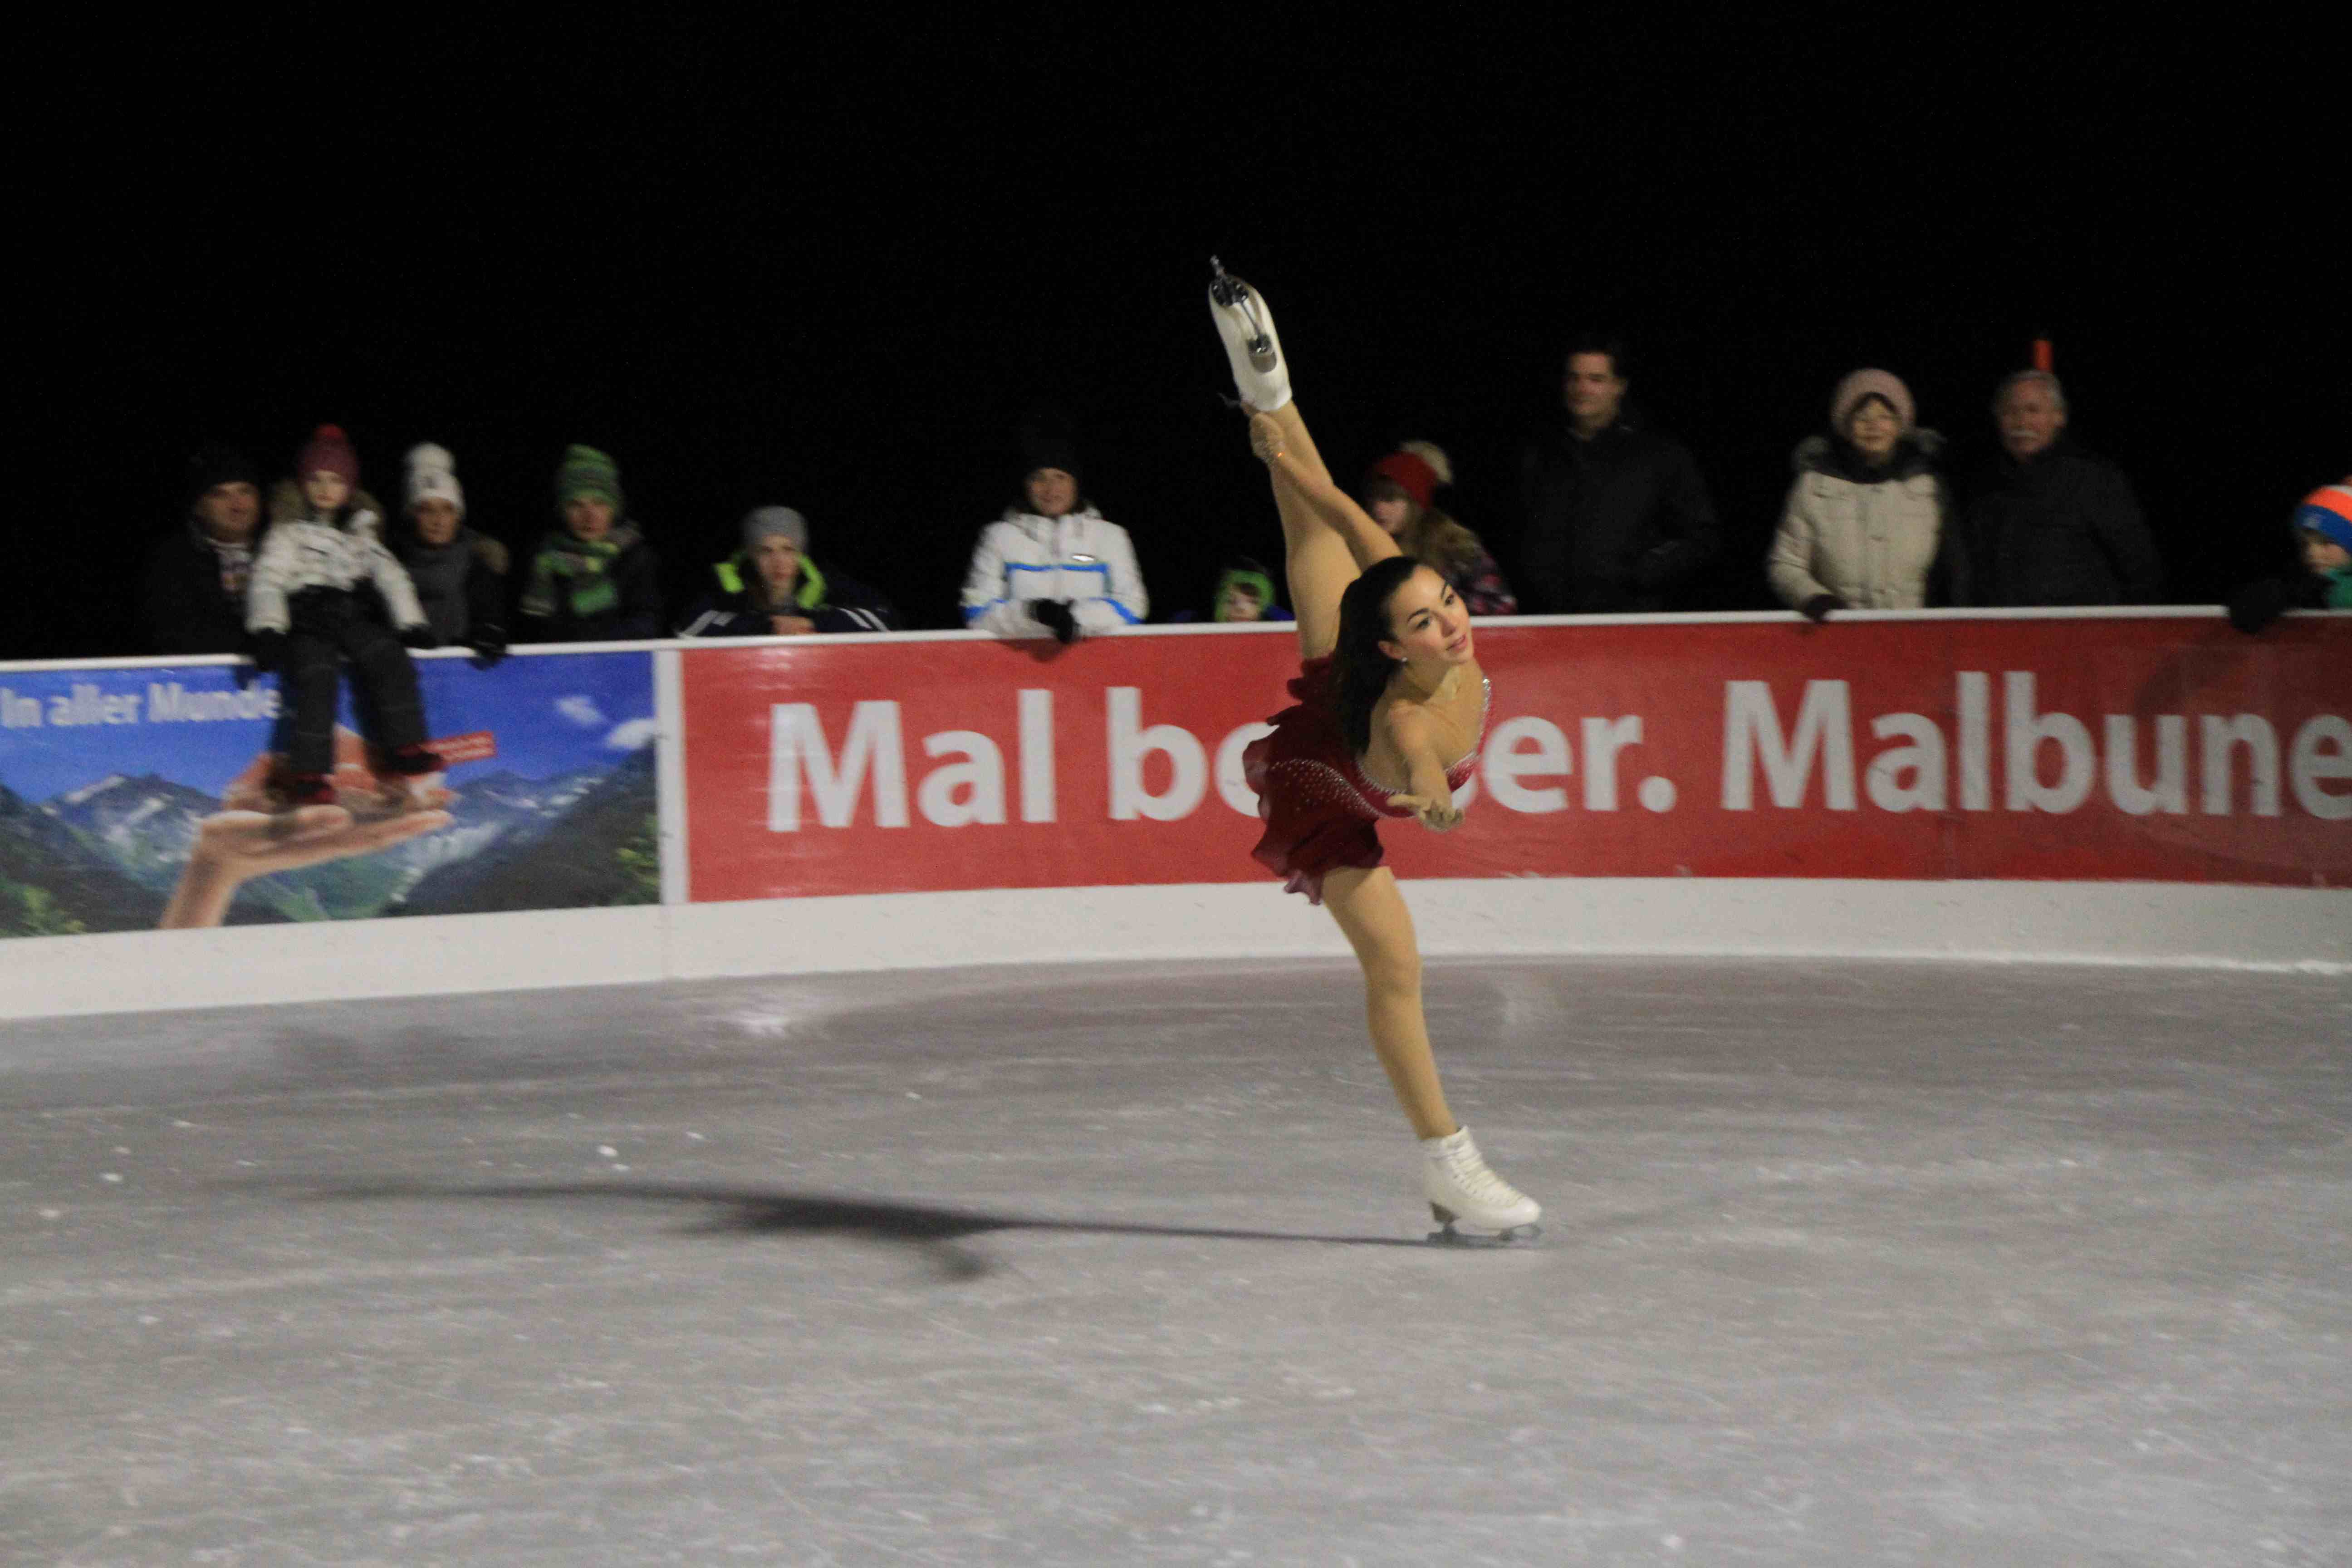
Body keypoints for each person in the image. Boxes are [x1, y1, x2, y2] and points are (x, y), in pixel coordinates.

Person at [1207, 261, 1540, 1242]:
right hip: (1326, 784)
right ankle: (1451, 1165)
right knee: (1396, 965)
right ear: (1394, 650)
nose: (1453, 623)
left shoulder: (1415, 625)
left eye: (1449, 603)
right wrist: (1433, 800)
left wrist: (1292, 461)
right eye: (1428, 623)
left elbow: (1361, 531)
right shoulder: (1401, 721)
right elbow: (1417, 755)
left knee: (1314, 528)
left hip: (1353, 689)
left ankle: (1269, 392)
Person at [244, 425, 442, 809]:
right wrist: (268, 628)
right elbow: (268, 579)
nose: (325, 489)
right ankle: (309, 773)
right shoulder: (287, 534)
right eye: (316, 479)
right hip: (306, 616)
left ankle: (406, 745)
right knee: (317, 677)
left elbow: (391, 575)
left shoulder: (360, 533)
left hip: (349, 612)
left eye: (336, 481)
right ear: (302, 484)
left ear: (349, 488)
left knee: (389, 656)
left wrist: (410, 622)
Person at [1518, 337, 1720, 613]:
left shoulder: (1659, 456)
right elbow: (1521, 533)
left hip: (1631, 620)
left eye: (1596, 379)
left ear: (1620, 387)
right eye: (1574, 378)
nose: (1582, 388)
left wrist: (1645, 571)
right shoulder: (1541, 454)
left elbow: (1702, 537)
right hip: (1551, 620)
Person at [1766, 369, 1965, 619]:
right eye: (1862, 417)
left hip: (1913, 634)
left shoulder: (1930, 488)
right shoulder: (1812, 487)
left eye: (1885, 417)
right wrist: (1814, 598)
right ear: (1846, 426)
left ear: (1900, 425)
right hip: (1839, 634)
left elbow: (1955, 567)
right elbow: (1786, 563)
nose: (1874, 426)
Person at [1965, 370, 2161, 606]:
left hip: (2083, 626)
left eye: (2033, 410)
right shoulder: (1985, 488)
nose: (2021, 423)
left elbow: (2140, 569)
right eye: (2010, 412)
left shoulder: (2094, 481)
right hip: (2005, 626)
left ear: (2059, 417)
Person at [960, 439, 1147, 642]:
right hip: (1020, 659)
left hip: (1095, 658)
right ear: (1026, 485)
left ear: (1075, 484)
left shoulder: (1110, 537)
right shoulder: (999, 536)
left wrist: (1077, 620)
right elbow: (977, 610)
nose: (1050, 489)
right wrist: (1033, 613)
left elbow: (1133, 605)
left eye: (1060, 477)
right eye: (1038, 478)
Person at [676, 506, 900, 636]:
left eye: (788, 550)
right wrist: (769, 627)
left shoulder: (824, 582)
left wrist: (813, 623)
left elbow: (886, 620)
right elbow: (687, 628)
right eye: (766, 551)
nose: (779, 562)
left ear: (800, 554)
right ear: (752, 557)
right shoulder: (731, 586)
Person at [517, 445, 663, 641]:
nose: (589, 516)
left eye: (599, 504)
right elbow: (532, 630)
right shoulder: (542, 560)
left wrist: (589, 643)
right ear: (563, 512)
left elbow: (647, 623)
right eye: (576, 505)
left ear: (614, 509)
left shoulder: (636, 557)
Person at [1363, 442, 1517, 615]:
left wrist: (1440, 612)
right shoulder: (1364, 546)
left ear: (1415, 503)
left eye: (1390, 499)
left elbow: (1501, 604)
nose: (1378, 508)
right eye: (1373, 498)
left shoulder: (1455, 546)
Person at [142, 446, 269, 654]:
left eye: (245, 492)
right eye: (220, 495)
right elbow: (176, 637)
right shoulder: (173, 562)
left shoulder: (287, 550)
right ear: (199, 508)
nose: (238, 506)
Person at [390, 443, 509, 663]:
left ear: (458, 516)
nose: (438, 520)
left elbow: (489, 616)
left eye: (447, 509)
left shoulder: (476, 565)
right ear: (412, 515)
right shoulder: (389, 566)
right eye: (426, 510)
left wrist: (489, 631)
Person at [2226, 482, 2352, 632]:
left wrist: (2328, 593)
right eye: (2306, 544)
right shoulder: (2301, 583)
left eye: (2327, 542)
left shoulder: (2319, 589)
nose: (2312, 553)